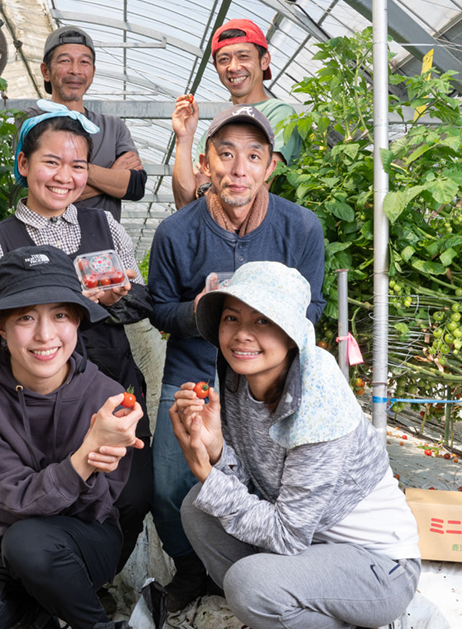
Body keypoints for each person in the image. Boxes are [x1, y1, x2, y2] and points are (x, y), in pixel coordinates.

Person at [170, 261, 421, 628]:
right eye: (231, 319)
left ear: (291, 333)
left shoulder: (319, 406)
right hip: (309, 547)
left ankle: (281, 608)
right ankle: (279, 613)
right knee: (198, 509)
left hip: (378, 568)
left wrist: (207, 472)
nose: (241, 335)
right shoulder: (238, 379)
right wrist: (218, 450)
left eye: (262, 321)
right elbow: (255, 484)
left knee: (249, 583)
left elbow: (286, 535)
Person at [147, 104, 325, 610]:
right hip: (194, 373)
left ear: (270, 166)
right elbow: (160, 308)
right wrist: (199, 311)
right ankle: (188, 569)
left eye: (253, 155)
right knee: (169, 485)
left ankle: (255, 568)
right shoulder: (176, 233)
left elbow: (312, 306)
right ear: (205, 163)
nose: (237, 168)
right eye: (225, 154)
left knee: (272, 482)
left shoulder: (300, 228)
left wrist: (260, 316)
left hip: (270, 380)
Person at [0, 105, 153, 574]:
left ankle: (94, 578)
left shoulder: (103, 227)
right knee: (54, 494)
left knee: (132, 496)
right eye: (51, 162)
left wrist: (117, 297)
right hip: (36, 404)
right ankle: (53, 583)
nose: (64, 177)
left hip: (111, 383)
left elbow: (139, 301)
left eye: (77, 166)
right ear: (24, 164)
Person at [0, 244, 144, 629]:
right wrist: (85, 457)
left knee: (31, 544)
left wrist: (104, 452)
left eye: (60, 315)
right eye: (26, 318)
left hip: (82, 537)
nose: (45, 335)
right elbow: (12, 497)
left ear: (78, 320)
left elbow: (101, 502)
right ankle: (45, 610)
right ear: (0, 325)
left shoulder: (106, 395)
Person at [171, 18, 304, 209]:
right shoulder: (220, 124)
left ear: (264, 60)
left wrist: (203, 187)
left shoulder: (280, 114)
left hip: (265, 235)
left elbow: (251, 195)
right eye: (224, 59)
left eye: (243, 56)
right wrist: (183, 138)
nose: (233, 67)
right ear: (216, 67)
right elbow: (184, 204)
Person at [38, 25, 147, 221]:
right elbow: (35, 190)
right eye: (64, 60)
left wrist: (63, 181)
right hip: (46, 244)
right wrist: (111, 176)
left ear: (93, 72)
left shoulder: (113, 127)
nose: (75, 70)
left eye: (84, 62)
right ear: (46, 71)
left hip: (103, 245)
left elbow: (135, 187)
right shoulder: (33, 122)